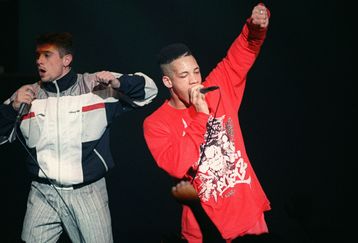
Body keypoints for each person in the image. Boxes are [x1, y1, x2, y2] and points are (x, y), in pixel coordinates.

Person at [0, 32, 158, 242]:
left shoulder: (95, 87)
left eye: (47, 55)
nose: (39, 61)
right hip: (42, 193)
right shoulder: (28, 95)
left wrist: (119, 83)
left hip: (87, 193)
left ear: (67, 60)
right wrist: (13, 108)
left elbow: (150, 90)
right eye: (37, 55)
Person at [143, 3, 271, 242]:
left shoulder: (216, 89)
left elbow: (243, 51)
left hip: (249, 216)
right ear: (168, 82)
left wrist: (255, 27)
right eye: (183, 76)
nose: (194, 81)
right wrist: (201, 116)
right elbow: (176, 165)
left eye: (196, 71)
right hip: (206, 230)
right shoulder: (156, 123)